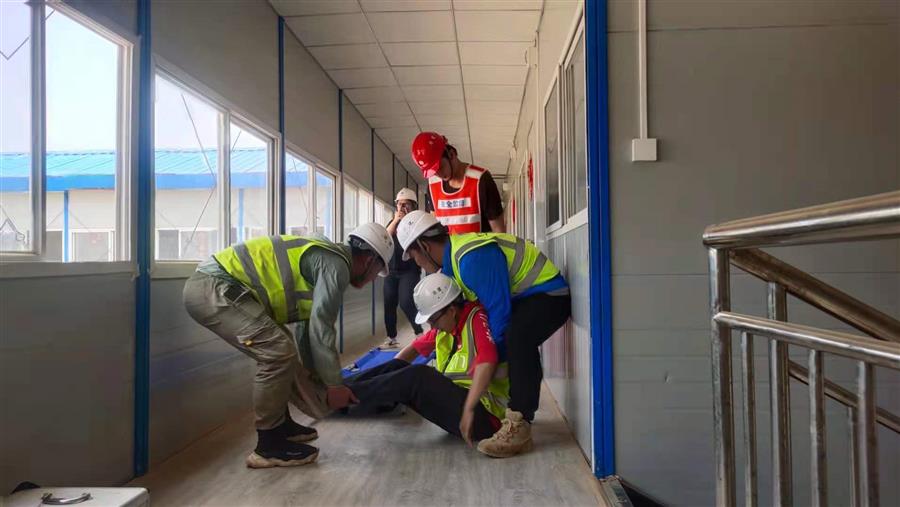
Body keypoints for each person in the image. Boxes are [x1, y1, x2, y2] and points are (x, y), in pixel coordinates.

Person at [182, 224, 394, 469]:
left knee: (283, 347)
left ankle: (281, 425)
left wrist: (320, 380)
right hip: (214, 288)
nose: (373, 280)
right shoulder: (336, 267)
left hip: (223, 288)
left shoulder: (325, 256)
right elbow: (321, 329)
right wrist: (334, 385)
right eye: (377, 272)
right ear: (369, 260)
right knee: (278, 352)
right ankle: (268, 445)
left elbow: (308, 331)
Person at [395, 210, 571, 458]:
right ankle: (516, 413)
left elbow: (499, 314)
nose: (418, 264)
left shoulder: (471, 259)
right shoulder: (453, 267)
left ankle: (519, 422)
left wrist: (489, 362)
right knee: (508, 339)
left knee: (516, 336)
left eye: (414, 257)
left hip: (549, 295)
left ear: (424, 246)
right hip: (525, 298)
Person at [345, 273, 509, 447]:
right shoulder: (444, 328)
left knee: (418, 376)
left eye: (433, 320)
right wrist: (392, 374)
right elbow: (411, 351)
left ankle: (345, 396)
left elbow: (488, 360)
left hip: (483, 415)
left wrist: (468, 410)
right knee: (399, 366)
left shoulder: (475, 319)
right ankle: (343, 389)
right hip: (460, 405)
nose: (432, 326)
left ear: (451, 311)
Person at [410, 131, 506, 234]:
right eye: (433, 172)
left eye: (440, 168)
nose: (438, 175)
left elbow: (499, 231)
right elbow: (435, 228)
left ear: (451, 154)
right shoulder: (433, 186)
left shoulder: (481, 180)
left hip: (479, 244)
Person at [382, 188, 424, 348]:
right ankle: (391, 337)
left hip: (409, 270)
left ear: (413, 206)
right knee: (389, 303)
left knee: (406, 302)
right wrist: (395, 220)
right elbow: (385, 237)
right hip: (391, 270)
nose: (402, 207)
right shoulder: (392, 223)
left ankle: (419, 332)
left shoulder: (417, 222)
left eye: (406, 204)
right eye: (400, 204)